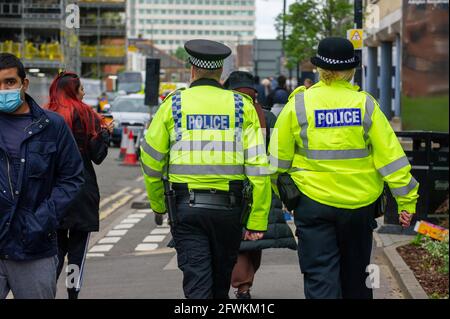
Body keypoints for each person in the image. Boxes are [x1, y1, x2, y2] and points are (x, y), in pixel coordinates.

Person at [268, 37, 419, 299]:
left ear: (319, 68)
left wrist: (285, 197)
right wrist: (406, 202)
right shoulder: (365, 105)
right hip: (359, 206)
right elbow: (391, 158)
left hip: (312, 204)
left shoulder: (299, 104)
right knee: (359, 279)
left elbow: (276, 163)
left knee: (320, 277)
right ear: (350, 70)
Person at [140, 39, 271, 299]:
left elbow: (151, 161)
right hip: (229, 210)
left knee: (197, 282)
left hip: (186, 208)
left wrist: (158, 204)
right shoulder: (240, 106)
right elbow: (258, 166)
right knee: (221, 282)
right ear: (220, 71)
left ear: (192, 69)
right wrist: (257, 218)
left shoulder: (173, 105)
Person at [0, 53, 84, 299]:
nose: (3, 90)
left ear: (24, 84)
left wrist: (42, 219)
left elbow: (72, 178)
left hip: (34, 248)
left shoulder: (52, 126)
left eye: (9, 82)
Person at [224, 71, 297, 299]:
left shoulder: (226, 118)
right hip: (261, 187)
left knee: (233, 240)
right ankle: (244, 286)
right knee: (253, 241)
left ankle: (234, 283)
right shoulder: (267, 117)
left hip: (229, 188)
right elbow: (278, 157)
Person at [46, 72, 113, 299]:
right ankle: (72, 294)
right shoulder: (87, 115)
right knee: (76, 254)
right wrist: (104, 134)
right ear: (73, 91)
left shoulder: (46, 115)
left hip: (52, 193)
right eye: (81, 88)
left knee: (53, 253)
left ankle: (46, 292)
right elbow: (98, 156)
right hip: (82, 192)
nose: (84, 92)